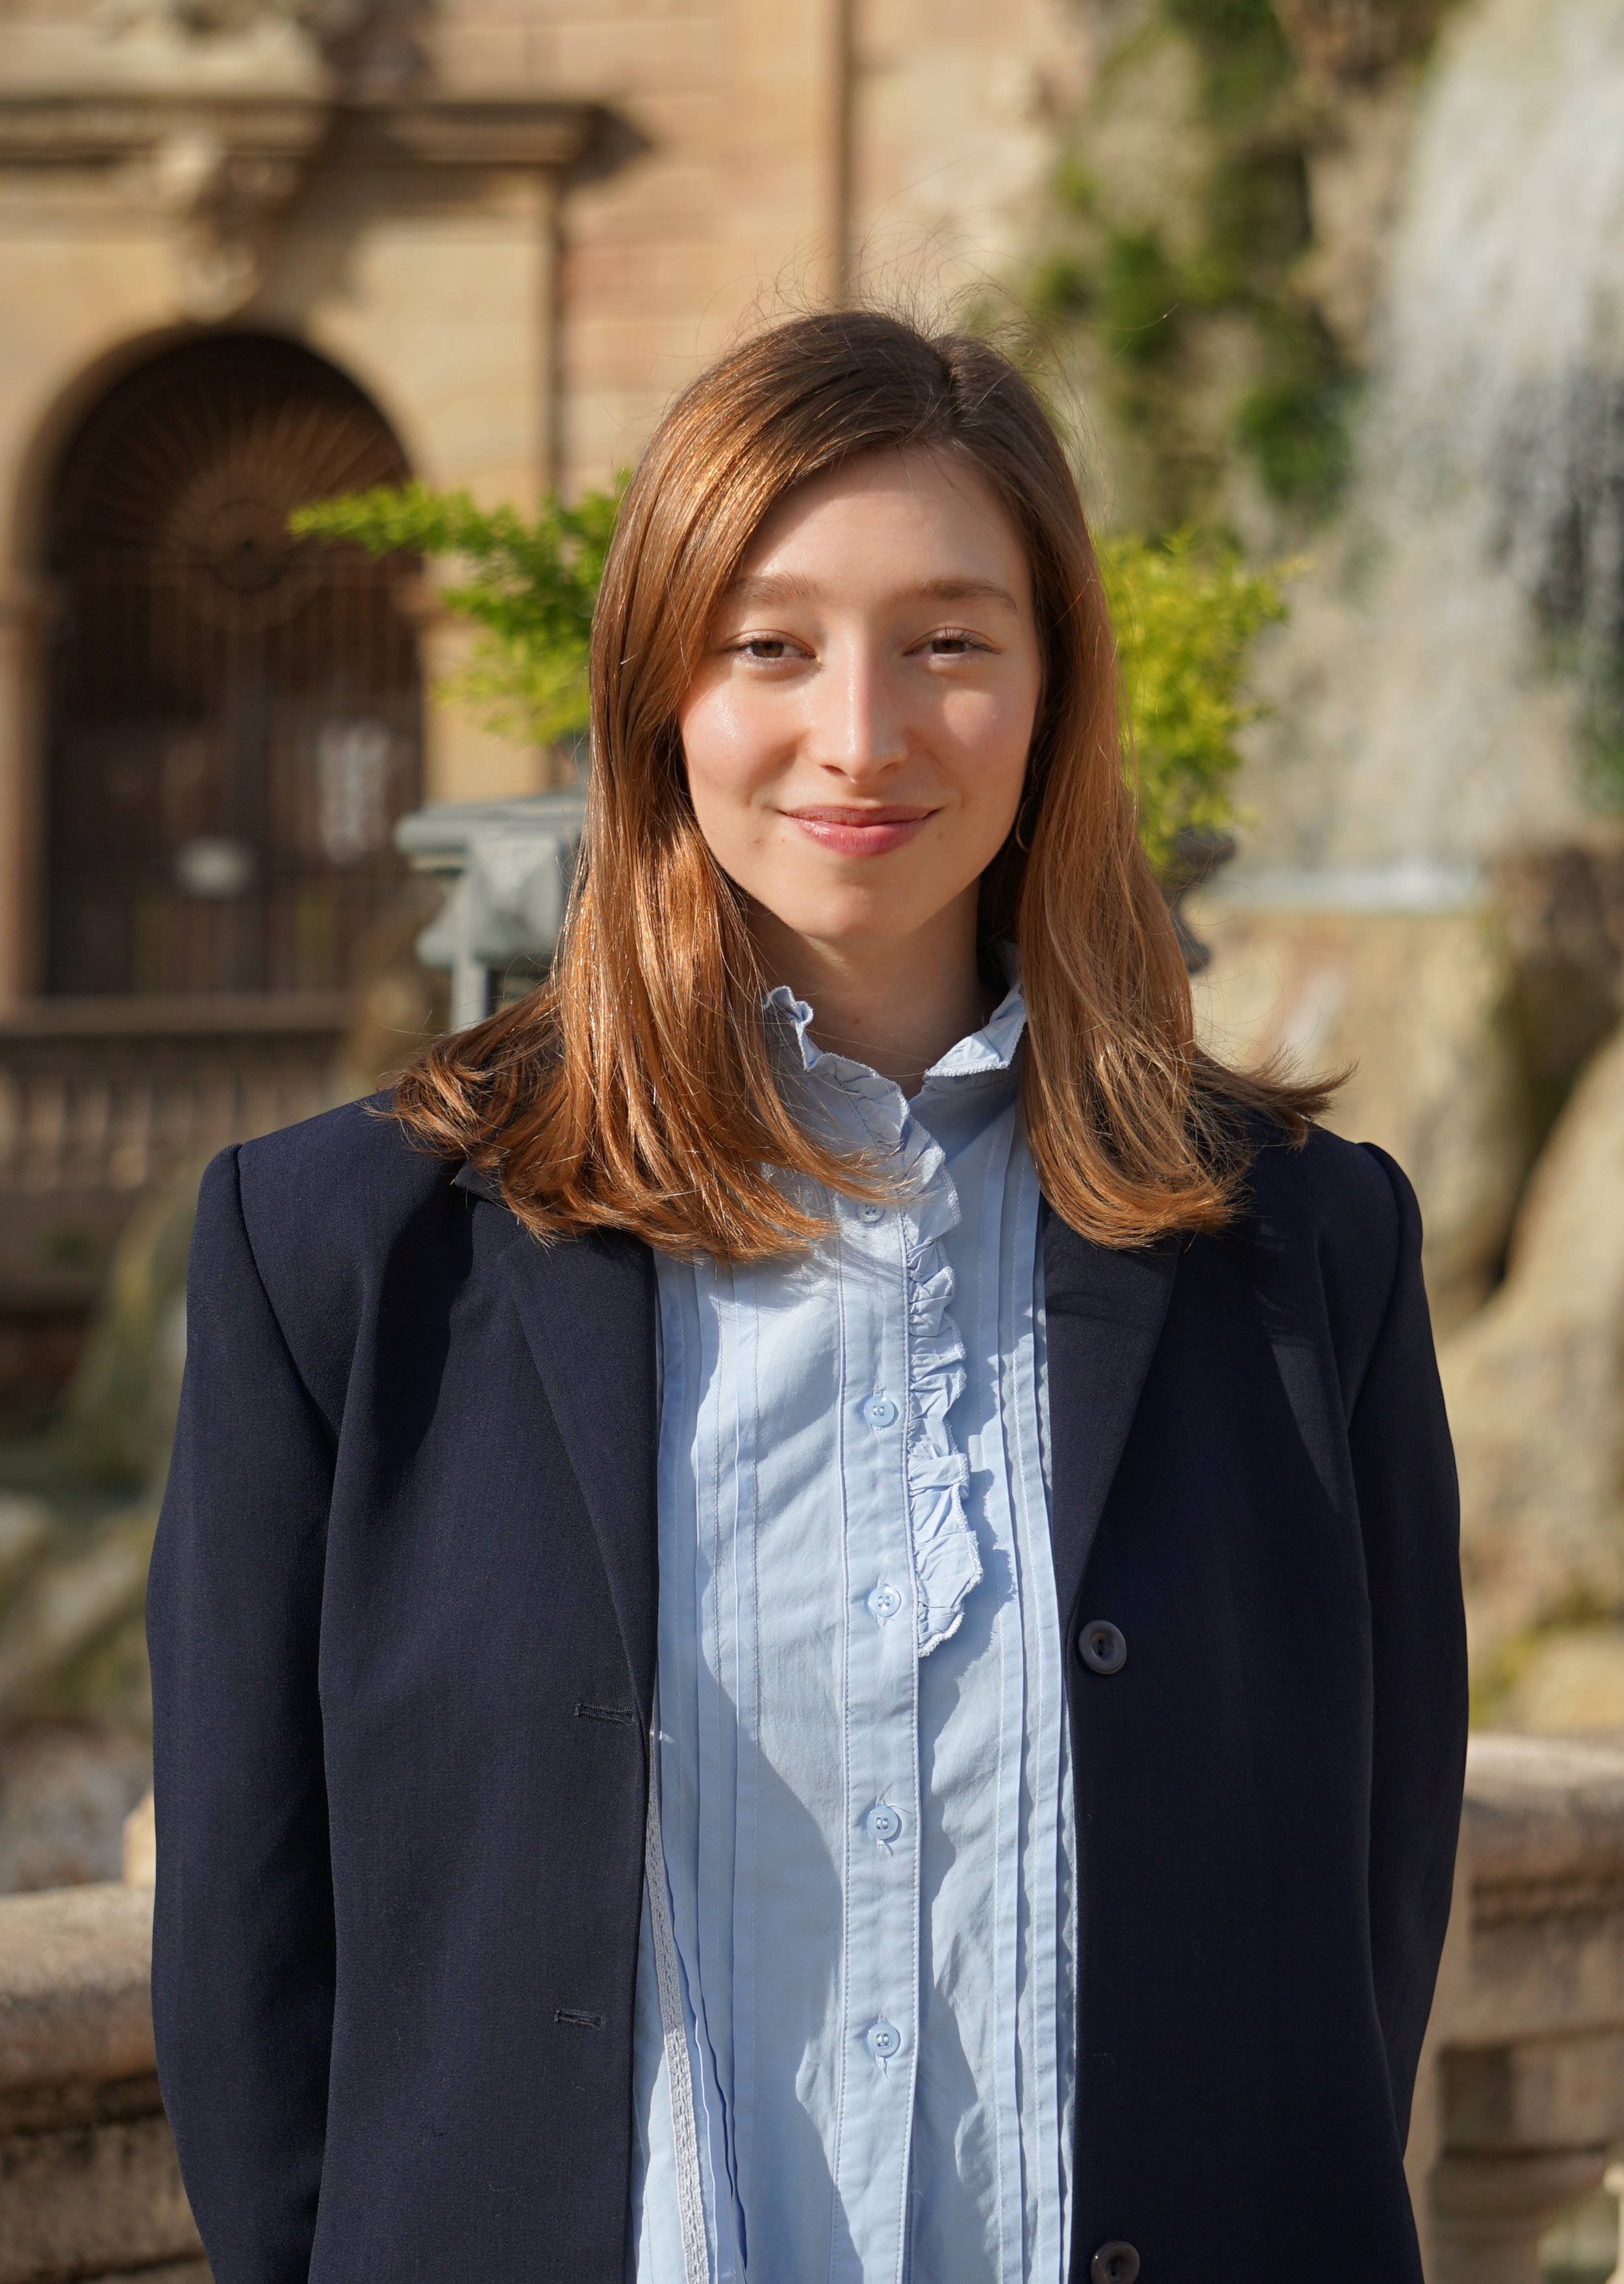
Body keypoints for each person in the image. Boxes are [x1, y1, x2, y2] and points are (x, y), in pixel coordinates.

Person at [148, 310, 1467, 2284]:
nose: (862, 735)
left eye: (950, 642)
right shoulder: (337, 1251)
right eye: (768, 644)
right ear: (654, 689)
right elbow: (252, 1958)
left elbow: (1360, 1928)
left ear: (1053, 694)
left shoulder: (1303, 1249)